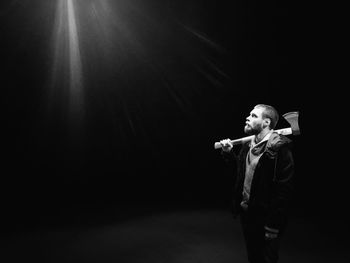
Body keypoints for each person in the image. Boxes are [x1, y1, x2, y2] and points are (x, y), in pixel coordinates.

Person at [220, 104, 294, 263]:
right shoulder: (247, 145)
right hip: (248, 214)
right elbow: (239, 176)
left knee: (267, 260)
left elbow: (283, 190)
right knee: (253, 258)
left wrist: (273, 225)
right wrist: (228, 154)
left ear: (267, 123)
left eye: (254, 116)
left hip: (267, 218)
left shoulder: (280, 149)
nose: (248, 117)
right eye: (249, 114)